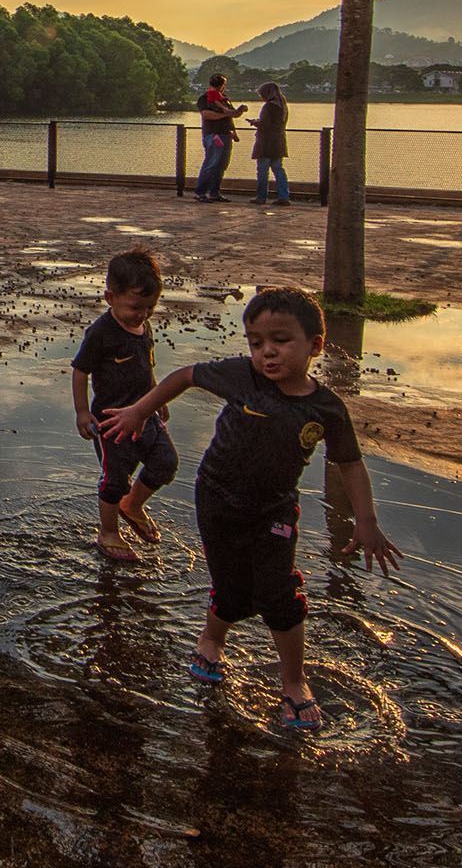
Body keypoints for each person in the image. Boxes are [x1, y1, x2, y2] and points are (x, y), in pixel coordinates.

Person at [100, 283, 404, 730]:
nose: (268, 353)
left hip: (274, 510)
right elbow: (185, 375)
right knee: (232, 587)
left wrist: (367, 520)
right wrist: (140, 412)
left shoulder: (327, 409)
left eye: (281, 341)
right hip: (217, 497)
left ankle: (294, 681)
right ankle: (211, 639)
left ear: (315, 345)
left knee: (279, 593)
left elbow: (350, 464)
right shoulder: (243, 377)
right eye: (257, 343)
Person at [72, 249, 175, 560]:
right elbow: (80, 370)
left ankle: (133, 504)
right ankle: (109, 531)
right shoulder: (101, 333)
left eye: (150, 308)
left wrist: (158, 396)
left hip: (145, 414)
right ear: (110, 297)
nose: (142, 314)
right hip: (112, 421)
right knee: (115, 479)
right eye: (135, 306)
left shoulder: (144, 328)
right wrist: (82, 411)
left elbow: (147, 365)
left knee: (166, 463)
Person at [194, 73, 244, 201]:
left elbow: (233, 114)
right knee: (211, 163)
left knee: (222, 164)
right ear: (222, 85)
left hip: (226, 134)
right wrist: (225, 114)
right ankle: (200, 192)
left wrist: (233, 128)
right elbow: (207, 115)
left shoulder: (224, 98)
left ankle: (214, 192)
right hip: (213, 135)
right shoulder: (204, 98)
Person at [252, 82, 292, 204]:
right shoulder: (283, 106)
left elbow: (265, 125)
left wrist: (255, 122)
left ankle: (261, 196)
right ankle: (284, 196)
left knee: (263, 171)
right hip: (278, 142)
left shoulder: (269, 107)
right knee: (278, 170)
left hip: (266, 143)